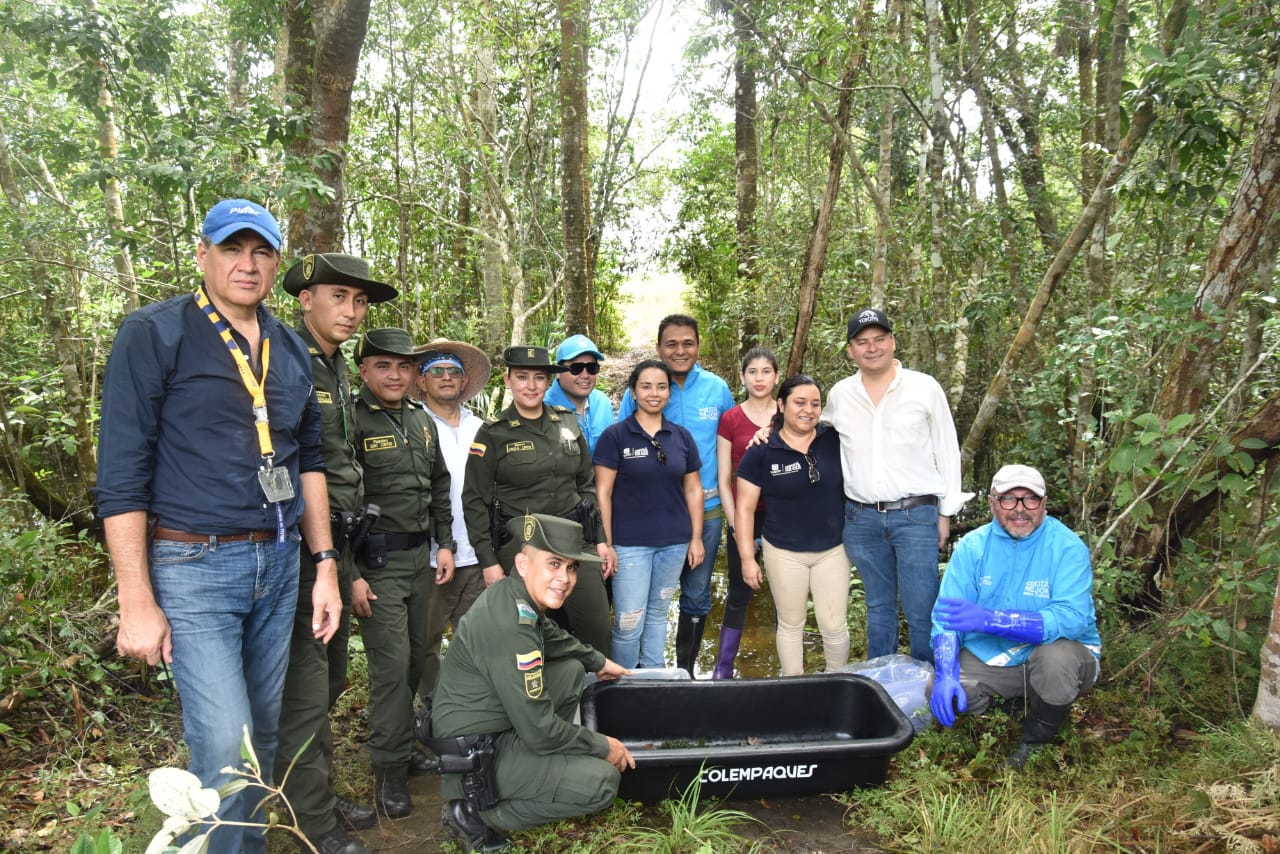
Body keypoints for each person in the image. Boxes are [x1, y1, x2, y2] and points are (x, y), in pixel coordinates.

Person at [95, 199, 342, 854]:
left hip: (279, 563)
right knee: (227, 745)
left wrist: (325, 565)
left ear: (277, 264)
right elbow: (121, 476)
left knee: (261, 740)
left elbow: (308, 462)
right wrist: (135, 599)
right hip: (193, 567)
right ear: (203, 254)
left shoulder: (290, 348)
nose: (247, 264)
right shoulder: (155, 334)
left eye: (261, 252)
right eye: (232, 249)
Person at [277, 254, 397, 853]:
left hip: (337, 543)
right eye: (339, 297)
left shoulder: (333, 365)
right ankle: (309, 818)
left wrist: (346, 565)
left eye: (360, 301)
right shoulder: (286, 358)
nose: (351, 311)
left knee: (328, 678)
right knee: (305, 687)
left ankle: (309, 793)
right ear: (306, 299)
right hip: (302, 547)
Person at [431, 514, 635, 853]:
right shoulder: (511, 626)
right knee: (602, 782)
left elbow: (552, 636)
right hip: (476, 751)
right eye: (553, 564)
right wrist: (603, 746)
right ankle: (474, 810)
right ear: (523, 564)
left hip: (494, 724)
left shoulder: (516, 597)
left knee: (571, 670)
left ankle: (533, 765)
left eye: (571, 567)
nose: (564, 578)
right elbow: (540, 729)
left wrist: (599, 662)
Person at [823, 308, 972, 662]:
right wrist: (769, 431)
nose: (872, 348)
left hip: (915, 515)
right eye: (862, 342)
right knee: (878, 608)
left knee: (922, 607)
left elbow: (947, 449)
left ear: (892, 342)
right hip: (861, 519)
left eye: (879, 339)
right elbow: (809, 431)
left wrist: (946, 513)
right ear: (850, 351)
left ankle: (927, 683)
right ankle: (882, 682)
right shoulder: (841, 394)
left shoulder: (924, 387)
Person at [349, 328, 456, 819]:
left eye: (403, 366)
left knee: (415, 658)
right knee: (391, 668)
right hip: (376, 564)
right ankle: (388, 769)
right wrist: (351, 574)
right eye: (383, 366)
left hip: (419, 561)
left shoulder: (420, 420)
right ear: (363, 370)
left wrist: (445, 543)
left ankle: (401, 746)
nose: (394, 375)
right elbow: (338, 498)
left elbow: (438, 484)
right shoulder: (351, 419)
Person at [929, 464, 1101, 768]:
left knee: (1055, 659)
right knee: (938, 686)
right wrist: (944, 674)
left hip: (1059, 655)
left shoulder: (1067, 547)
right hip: (996, 655)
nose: (1020, 509)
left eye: (1030, 499)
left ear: (1044, 503)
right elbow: (947, 618)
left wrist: (992, 620)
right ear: (992, 502)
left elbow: (1072, 618)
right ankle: (1013, 709)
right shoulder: (973, 547)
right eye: (1008, 499)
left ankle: (1037, 740)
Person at [462, 346, 614, 655]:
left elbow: (585, 485)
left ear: (548, 382)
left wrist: (599, 539)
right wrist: (489, 562)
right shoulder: (493, 433)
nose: (531, 386)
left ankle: (594, 686)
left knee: (597, 629)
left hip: (575, 544)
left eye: (539, 378)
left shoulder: (567, 422)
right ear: (508, 380)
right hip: (523, 548)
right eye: (522, 377)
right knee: (527, 637)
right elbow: (474, 500)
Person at [618, 314, 734, 676]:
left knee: (696, 593)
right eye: (671, 344)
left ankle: (684, 672)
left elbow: (732, 440)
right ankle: (639, 672)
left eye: (688, 343)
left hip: (707, 510)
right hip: (651, 514)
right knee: (643, 599)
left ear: (698, 346)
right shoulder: (644, 389)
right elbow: (622, 447)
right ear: (658, 348)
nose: (680, 351)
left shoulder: (717, 389)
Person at [593, 360, 705, 668]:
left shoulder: (681, 437)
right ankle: (623, 684)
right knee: (629, 621)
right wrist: (607, 544)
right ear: (633, 392)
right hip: (629, 545)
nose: (654, 393)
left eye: (661, 387)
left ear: (669, 392)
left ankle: (652, 680)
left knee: (658, 614)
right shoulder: (615, 437)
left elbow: (694, 489)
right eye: (646, 386)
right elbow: (602, 493)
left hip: (674, 543)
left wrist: (696, 538)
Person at [735, 376, 849, 675]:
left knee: (834, 625)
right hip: (783, 551)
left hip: (833, 549)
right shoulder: (761, 450)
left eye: (815, 404)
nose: (808, 410)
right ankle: (793, 687)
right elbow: (744, 509)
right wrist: (747, 558)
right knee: (790, 623)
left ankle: (837, 684)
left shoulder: (835, 440)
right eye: (800, 402)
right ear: (782, 405)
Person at [414, 337, 492, 704]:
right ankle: (431, 708)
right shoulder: (413, 425)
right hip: (431, 556)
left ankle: (469, 710)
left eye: (453, 371)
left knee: (475, 637)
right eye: (437, 371)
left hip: (478, 554)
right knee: (425, 640)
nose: (446, 377)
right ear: (421, 381)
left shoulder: (482, 427)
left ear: (464, 381)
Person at [712, 346, 779, 679]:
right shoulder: (730, 419)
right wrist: (735, 524)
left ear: (776, 377)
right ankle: (723, 667)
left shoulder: (788, 413)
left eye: (766, 371)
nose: (759, 378)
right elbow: (724, 478)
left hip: (782, 518)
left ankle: (787, 668)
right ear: (742, 377)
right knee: (739, 592)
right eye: (752, 372)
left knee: (785, 593)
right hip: (744, 516)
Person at [545, 334, 615, 454]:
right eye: (576, 368)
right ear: (558, 371)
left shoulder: (602, 402)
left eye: (591, 367)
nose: (585, 375)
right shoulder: (543, 408)